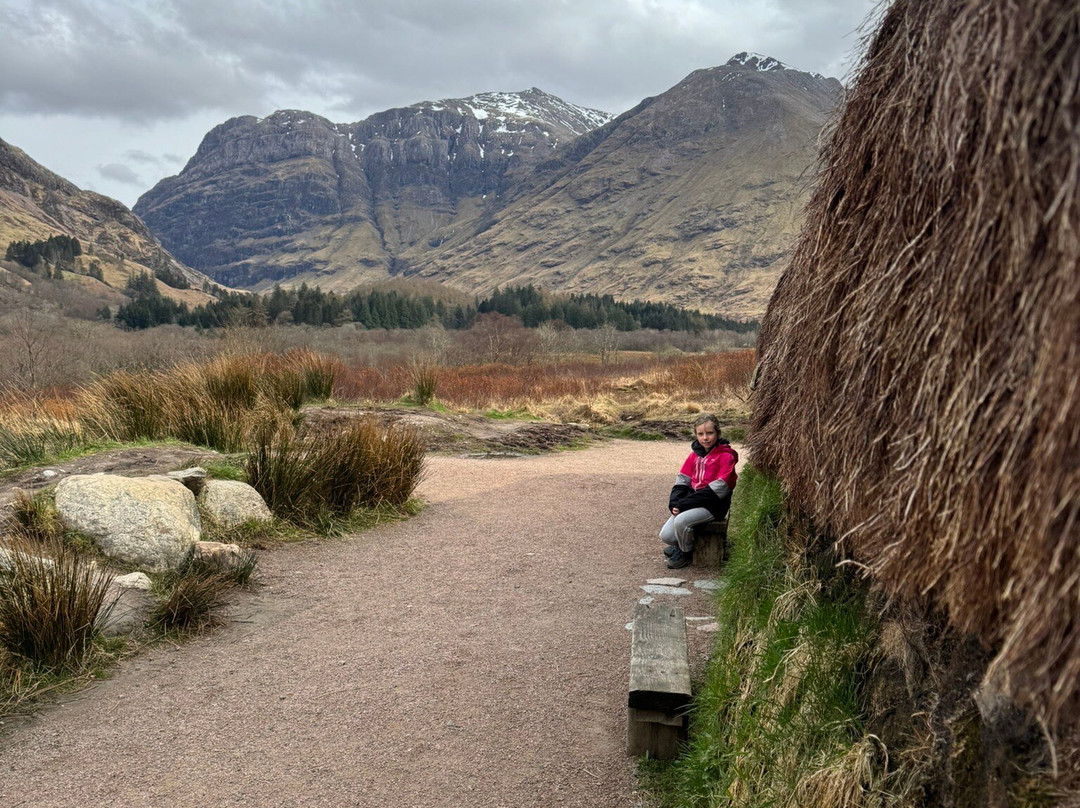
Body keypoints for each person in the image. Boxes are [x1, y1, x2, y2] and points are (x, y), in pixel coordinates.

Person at [660, 414, 738, 569]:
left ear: (718, 433)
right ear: (696, 435)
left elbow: (719, 489)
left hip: (714, 505)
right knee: (666, 536)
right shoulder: (694, 455)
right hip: (692, 500)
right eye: (700, 434)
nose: (705, 438)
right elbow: (682, 480)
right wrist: (675, 502)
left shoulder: (726, 456)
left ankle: (685, 552)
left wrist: (684, 504)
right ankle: (684, 544)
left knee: (682, 521)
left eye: (710, 433)